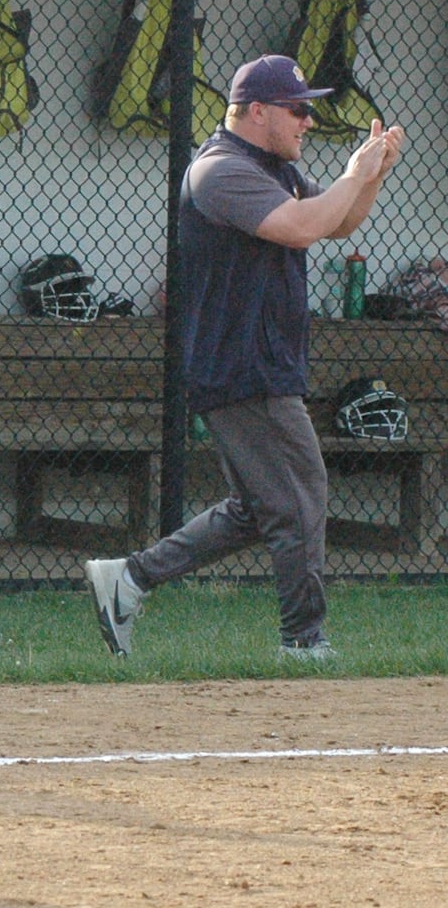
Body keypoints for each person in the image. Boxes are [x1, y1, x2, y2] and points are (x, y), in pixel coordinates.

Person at [86, 55, 405, 661]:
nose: (309, 121)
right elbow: (301, 228)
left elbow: (336, 223)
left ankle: (128, 579)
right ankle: (304, 642)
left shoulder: (271, 166)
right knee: (301, 495)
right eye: (298, 109)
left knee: (259, 509)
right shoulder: (220, 170)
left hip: (261, 361)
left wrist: (370, 177)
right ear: (257, 112)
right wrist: (351, 174)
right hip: (242, 365)